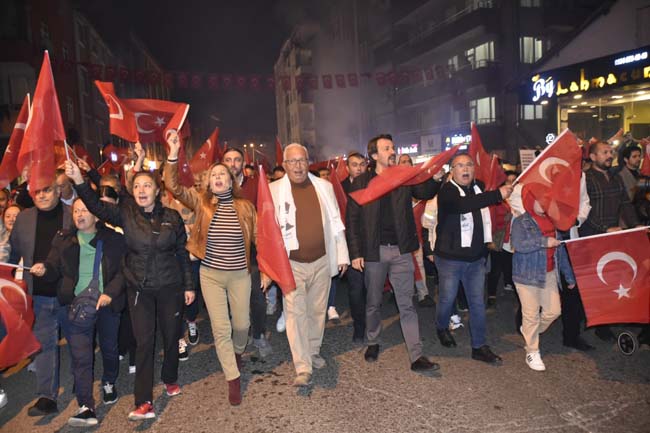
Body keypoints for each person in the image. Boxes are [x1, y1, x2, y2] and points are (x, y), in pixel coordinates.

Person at [65, 158, 194, 421]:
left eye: (147, 185)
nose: (141, 190)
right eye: (137, 186)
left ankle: (169, 377)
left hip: (170, 286)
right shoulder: (125, 213)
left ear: (157, 190)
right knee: (144, 342)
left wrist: (189, 285)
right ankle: (144, 401)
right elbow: (96, 206)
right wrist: (79, 179)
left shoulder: (172, 217)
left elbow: (182, 253)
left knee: (171, 336)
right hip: (139, 288)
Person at [165, 131, 258, 405]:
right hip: (211, 276)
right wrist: (173, 154)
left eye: (223, 174)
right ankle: (233, 378)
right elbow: (173, 186)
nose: (218, 177)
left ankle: (237, 352)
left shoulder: (246, 207)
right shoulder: (201, 202)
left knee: (242, 325)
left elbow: (260, 238)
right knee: (220, 328)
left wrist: (266, 269)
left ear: (231, 180)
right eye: (214, 174)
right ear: (208, 181)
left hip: (240, 275)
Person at [346, 134, 440, 370]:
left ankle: (416, 356)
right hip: (373, 252)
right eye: (386, 148)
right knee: (373, 301)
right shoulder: (362, 182)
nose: (392, 151)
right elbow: (353, 219)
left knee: (406, 303)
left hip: (401, 251)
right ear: (374, 155)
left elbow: (424, 191)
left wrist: (436, 177)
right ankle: (373, 341)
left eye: (393, 147)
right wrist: (355, 253)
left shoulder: (402, 177)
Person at [30, 198, 126, 426]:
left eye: (85, 210)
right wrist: (44, 269)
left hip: (105, 303)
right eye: (76, 211)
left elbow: (123, 271)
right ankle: (86, 406)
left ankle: (109, 381)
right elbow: (53, 267)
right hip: (74, 306)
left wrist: (109, 293)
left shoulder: (114, 238)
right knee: (81, 357)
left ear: (96, 214)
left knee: (109, 348)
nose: (80, 215)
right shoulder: (64, 239)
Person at [267, 143, 349, 386]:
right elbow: (267, 232)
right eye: (292, 161)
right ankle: (302, 366)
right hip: (291, 264)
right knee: (295, 314)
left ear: (308, 162)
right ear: (284, 165)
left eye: (302, 160)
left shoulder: (324, 186)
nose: (298, 166)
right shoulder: (273, 190)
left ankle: (313, 351)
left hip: (322, 260)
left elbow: (336, 222)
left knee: (317, 312)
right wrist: (268, 267)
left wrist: (342, 254)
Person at [433, 153, 512, 364]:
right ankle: (441, 327)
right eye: (460, 165)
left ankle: (479, 346)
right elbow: (463, 205)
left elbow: (481, 201)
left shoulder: (479, 187)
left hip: (475, 260)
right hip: (450, 259)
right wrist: (497, 194)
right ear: (452, 171)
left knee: (477, 303)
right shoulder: (447, 191)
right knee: (447, 299)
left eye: (469, 164)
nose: (465, 168)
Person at [9, 178, 73, 416]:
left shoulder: (73, 214)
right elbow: (14, 252)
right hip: (39, 294)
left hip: (70, 292)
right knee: (44, 345)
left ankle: (83, 386)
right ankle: (47, 396)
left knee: (79, 343)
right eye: (37, 192)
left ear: (58, 191)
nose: (42, 195)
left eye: (47, 190)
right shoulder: (24, 219)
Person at [511, 187, 575, 371]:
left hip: (549, 273)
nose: (544, 203)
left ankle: (529, 331)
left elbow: (561, 251)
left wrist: (569, 276)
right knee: (531, 314)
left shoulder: (553, 221)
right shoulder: (521, 221)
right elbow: (519, 245)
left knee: (553, 311)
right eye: (539, 199)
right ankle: (532, 351)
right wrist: (543, 242)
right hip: (526, 275)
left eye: (547, 199)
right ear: (530, 200)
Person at [581, 141, 640, 342]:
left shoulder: (616, 178)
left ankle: (604, 322)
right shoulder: (585, 179)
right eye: (605, 152)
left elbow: (626, 204)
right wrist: (604, 228)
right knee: (594, 282)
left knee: (610, 280)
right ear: (593, 157)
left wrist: (635, 225)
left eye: (610, 152)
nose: (610, 155)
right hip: (592, 237)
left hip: (612, 237)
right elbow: (584, 210)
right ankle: (592, 319)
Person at [222, 147, 271, 358]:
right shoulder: (216, 186)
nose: (233, 164)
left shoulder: (256, 185)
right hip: (226, 254)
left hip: (252, 253)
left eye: (237, 160)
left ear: (243, 163)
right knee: (232, 301)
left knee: (257, 297)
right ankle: (240, 335)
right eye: (228, 160)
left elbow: (266, 216)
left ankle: (259, 335)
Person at [341, 152, 369, 343]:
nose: (359, 168)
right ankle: (359, 326)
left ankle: (371, 321)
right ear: (347, 168)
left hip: (371, 244)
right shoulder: (339, 188)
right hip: (349, 245)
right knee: (355, 289)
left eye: (362, 164)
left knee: (371, 288)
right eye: (354, 164)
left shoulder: (373, 184)